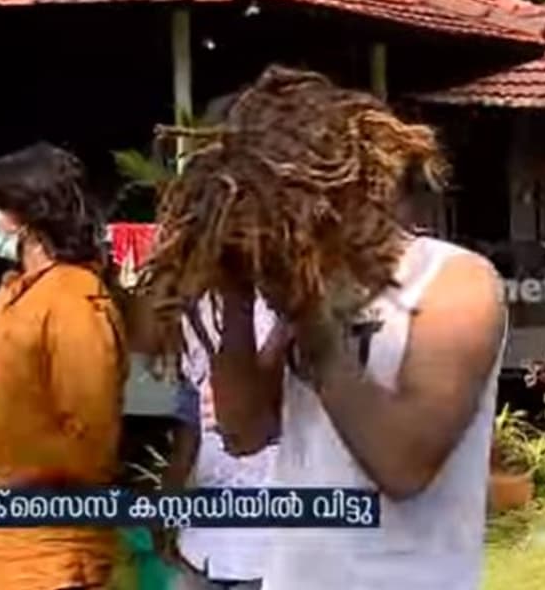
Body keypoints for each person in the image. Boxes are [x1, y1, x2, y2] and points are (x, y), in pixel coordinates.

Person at [205, 82, 507, 590]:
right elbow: (243, 432)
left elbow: (403, 465)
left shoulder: (456, 281)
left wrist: (312, 321)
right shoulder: (315, 283)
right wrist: (234, 300)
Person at [0, 142, 125, 590]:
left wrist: (8, 486)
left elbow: (88, 440)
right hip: (1, 550)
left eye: (0, 207)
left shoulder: (74, 301)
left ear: (26, 216)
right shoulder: (13, 294)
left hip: (56, 554)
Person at [170, 293, 282, 590]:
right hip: (203, 546)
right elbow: (190, 416)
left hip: (271, 550)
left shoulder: (290, 305)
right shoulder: (195, 312)